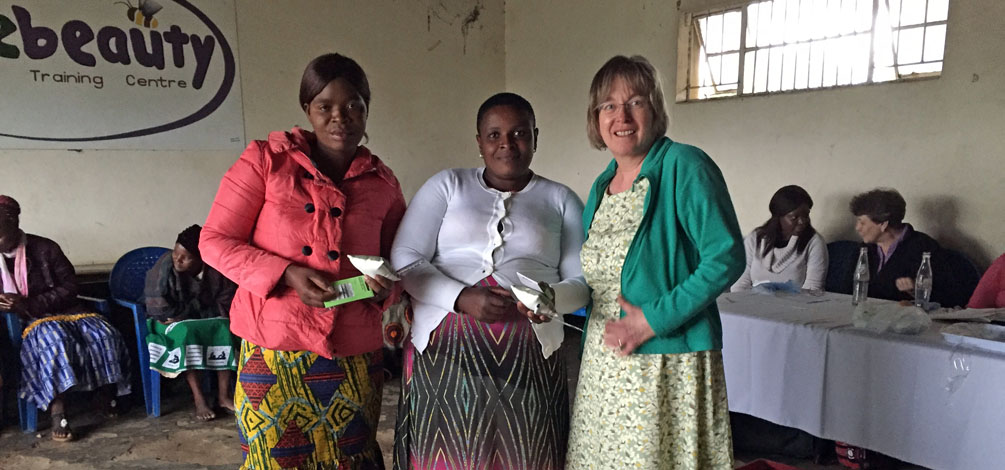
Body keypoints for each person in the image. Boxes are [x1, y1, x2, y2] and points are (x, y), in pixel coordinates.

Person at [200, 53, 406, 469]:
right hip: (273, 351)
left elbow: (397, 262)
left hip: (352, 354)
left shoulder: (383, 184)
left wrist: (384, 290)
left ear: (366, 109)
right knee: (272, 459)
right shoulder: (265, 163)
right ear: (307, 109)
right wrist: (286, 273)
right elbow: (214, 241)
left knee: (349, 459)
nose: (339, 117)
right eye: (325, 106)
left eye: (353, 105)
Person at [390, 92, 590, 469]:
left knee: (527, 452)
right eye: (494, 135)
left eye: (519, 133)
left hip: (529, 351)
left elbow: (582, 280)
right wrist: (461, 297)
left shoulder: (560, 198)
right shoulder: (447, 185)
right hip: (445, 347)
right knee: (445, 452)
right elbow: (406, 258)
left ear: (535, 138)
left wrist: (550, 298)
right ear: (479, 142)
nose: (506, 144)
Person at [565, 55, 744, 470]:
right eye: (609, 105)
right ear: (596, 118)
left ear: (656, 109)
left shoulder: (685, 165)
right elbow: (601, 282)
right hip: (603, 366)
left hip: (666, 365)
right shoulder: (602, 185)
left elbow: (726, 256)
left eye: (636, 102)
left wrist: (652, 320)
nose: (621, 116)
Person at [0, 195, 130, 442]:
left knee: (105, 335)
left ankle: (104, 392)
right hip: (25, 321)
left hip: (67, 310)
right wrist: (8, 303)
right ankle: (58, 408)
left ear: (14, 223)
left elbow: (70, 286)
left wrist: (31, 303)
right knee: (55, 340)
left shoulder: (45, 248)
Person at [143, 224, 237, 421]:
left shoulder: (216, 269)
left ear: (202, 259)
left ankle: (223, 396)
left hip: (200, 317)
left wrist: (196, 312)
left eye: (185, 257)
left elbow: (226, 300)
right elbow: (160, 308)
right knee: (187, 332)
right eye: (176, 253)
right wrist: (188, 313)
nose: (177, 259)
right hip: (165, 322)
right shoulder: (163, 268)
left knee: (223, 328)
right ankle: (198, 398)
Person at [849, 188, 963, 306]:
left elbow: (949, 297)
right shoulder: (864, 249)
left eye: (862, 223)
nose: (857, 228)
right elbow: (847, 290)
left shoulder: (925, 248)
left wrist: (915, 290)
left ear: (883, 224)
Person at [731, 185, 828, 292]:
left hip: (797, 303)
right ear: (778, 217)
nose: (802, 221)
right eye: (794, 218)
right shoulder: (755, 238)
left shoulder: (814, 242)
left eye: (806, 215)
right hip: (754, 301)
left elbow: (813, 289)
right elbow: (740, 283)